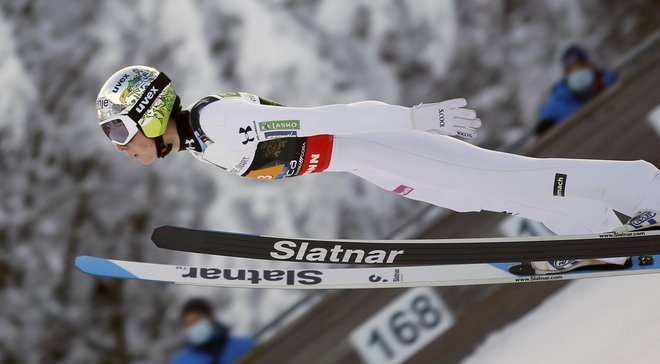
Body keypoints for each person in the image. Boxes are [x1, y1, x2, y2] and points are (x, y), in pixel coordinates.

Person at [96, 65, 660, 275]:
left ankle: (642, 187)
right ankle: (594, 235)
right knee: (486, 196)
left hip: (386, 144)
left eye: (119, 130)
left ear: (153, 112)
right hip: (375, 166)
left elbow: (327, 118)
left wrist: (414, 118)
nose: (119, 145)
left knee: (506, 180)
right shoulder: (200, 142)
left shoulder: (220, 121)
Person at [164, 298, 255, 364]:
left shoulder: (243, 346)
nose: (194, 327)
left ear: (211, 317)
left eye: (197, 320)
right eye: (188, 324)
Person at [534, 44, 617, 135]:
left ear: (590, 66)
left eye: (581, 66)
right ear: (566, 75)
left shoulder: (610, 83)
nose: (577, 72)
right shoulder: (557, 103)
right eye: (571, 70)